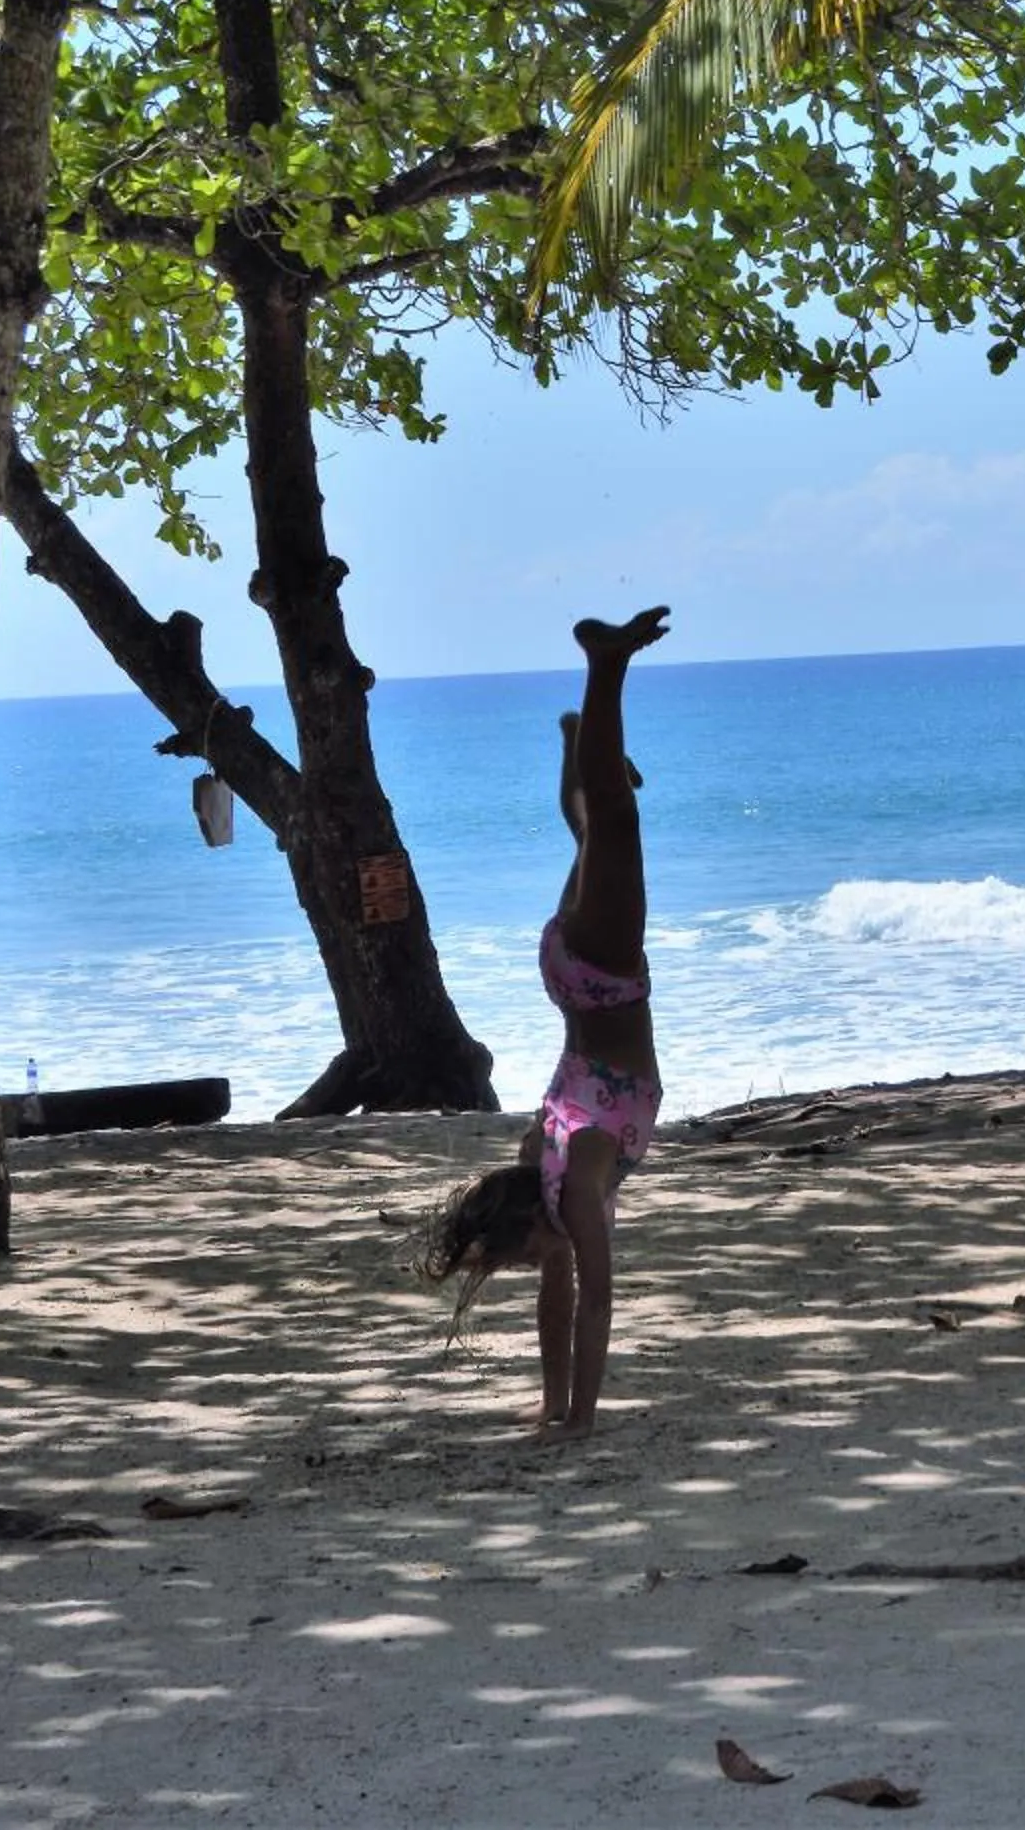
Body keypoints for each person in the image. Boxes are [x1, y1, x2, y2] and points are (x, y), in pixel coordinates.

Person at [417, 608, 670, 1437]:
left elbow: (593, 1302)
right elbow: (568, 1299)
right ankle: (578, 736)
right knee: (597, 826)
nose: (530, 1265)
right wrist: (557, 1408)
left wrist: (580, 1421)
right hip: (573, 983)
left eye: (518, 1252)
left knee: (612, 820)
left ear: (531, 1216)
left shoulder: (578, 1183)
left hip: (599, 978)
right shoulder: (550, 1171)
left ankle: (604, 669)